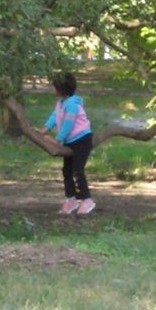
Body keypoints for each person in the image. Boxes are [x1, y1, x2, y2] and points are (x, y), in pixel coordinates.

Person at [44, 72, 95, 215]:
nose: (52, 88)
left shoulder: (72, 105)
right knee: (66, 171)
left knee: (77, 171)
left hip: (82, 140)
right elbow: (55, 117)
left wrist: (57, 140)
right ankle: (71, 199)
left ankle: (86, 200)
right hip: (70, 142)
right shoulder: (61, 103)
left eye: (54, 86)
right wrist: (45, 128)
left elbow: (68, 125)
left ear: (61, 88)